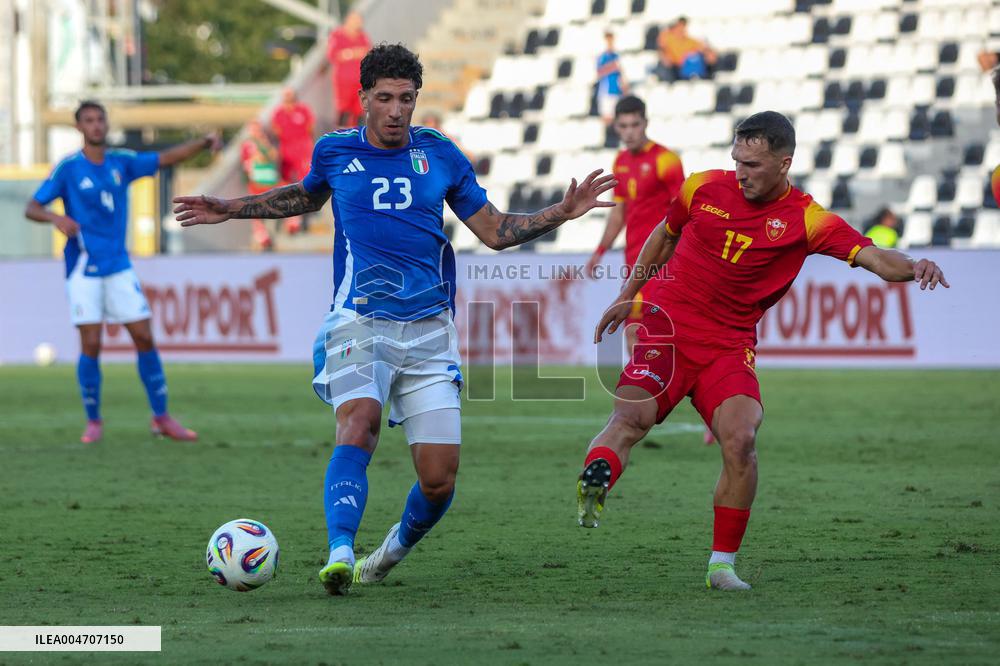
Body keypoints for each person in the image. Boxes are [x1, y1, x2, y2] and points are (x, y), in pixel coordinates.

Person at [173, 43, 615, 596]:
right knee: (359, 423)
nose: (396, 111)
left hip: (430, 331)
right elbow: (306, 198)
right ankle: (340, 551)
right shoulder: (335, 151)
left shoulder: (440, 154)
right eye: (385, 98)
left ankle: (383, 557)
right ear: (363, 98)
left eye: (407, 99)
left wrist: (561, 213)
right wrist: (232, 207)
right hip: (359, 320)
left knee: (439, 480)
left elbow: (496, 232)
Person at [579, 111, 948, 591]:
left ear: (784, 163)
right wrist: (627, 296)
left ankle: (721, 567)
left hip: (728, 345)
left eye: (752, 164)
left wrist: (915, 264)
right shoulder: (702, 187)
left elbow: (875, 256)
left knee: (741, 439)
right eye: (737, 160)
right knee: (631, 418)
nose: (740, 172)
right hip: (667, 328)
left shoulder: (807, 219)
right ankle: (595, 481)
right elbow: (663, 236)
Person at [25, 100, 219, 444]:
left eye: (100, 119)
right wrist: (56, 218)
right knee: (92, 344)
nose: (96, 125)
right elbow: (32, 207)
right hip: (84, 268)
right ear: (79, 127)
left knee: (144, 337)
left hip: (118, 266)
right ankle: (93, 421)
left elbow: (165, 158)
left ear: (106, 124)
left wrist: (203, 143)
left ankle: (161, 417)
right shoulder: (69, 168)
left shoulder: (121, 162)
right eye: (89, 120)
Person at [585, 95, 683, 356]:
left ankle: (647, 379)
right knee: (634, 333)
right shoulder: (620, 162)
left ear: (645, 123)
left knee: (643, 333)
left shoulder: (666, 160)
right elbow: (618, 214)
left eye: (634, 125)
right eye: (623, 126)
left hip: (661, 262)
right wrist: (599, 252)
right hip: (633, 263)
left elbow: (683, 212)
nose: (629, 132)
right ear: (616, 127)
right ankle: (646, 379)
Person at [271, 88, 314, 235]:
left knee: (305, 182)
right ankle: (287, 217)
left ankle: (304, 216)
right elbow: (276, 131)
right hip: (287, 149)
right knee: (285, 181)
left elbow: (310, 128)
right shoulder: (279, 113)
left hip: (302, 148)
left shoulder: (303, 110)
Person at [241, 120, 281, 250]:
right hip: (257, 181)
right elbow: (251, 161)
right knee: (256, 212)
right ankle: (263, 238)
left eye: (258, 129)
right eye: (254, 129)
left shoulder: (266, 142)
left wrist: (265, 146)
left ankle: (269, 235)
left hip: (269, 180)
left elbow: (274, 156)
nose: (256, 132)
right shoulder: (249, 144)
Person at [327, 11, 372, 128]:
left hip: (360, 81)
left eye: (359, 20)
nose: (358, 23)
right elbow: (332, 55)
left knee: (360, 111)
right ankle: (340, 135)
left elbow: (368, 53)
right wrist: (352, 53)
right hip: (344, 82)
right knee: (343, 110)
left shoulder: (362, 36)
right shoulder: (337, 35)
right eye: (355, 20)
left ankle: (358, 135)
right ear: (348, 21)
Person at [656, 17, 716, 82]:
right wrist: (665, 57)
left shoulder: (689, 40)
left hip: (685, 67)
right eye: (679, 26)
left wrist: (709, 53)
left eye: (683, 26)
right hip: (673, 67)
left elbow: (703, 48)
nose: (681, 28)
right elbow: (661, 49)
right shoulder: (667, 37)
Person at [596, 30, 629, 126]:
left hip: (617, 90)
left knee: (617, 118)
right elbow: (599, 73)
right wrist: (613, 66)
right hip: (606, 91)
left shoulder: (616, 56)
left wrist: (624, 86)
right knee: (607, 118)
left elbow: (620, 73)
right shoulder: (603, 57)